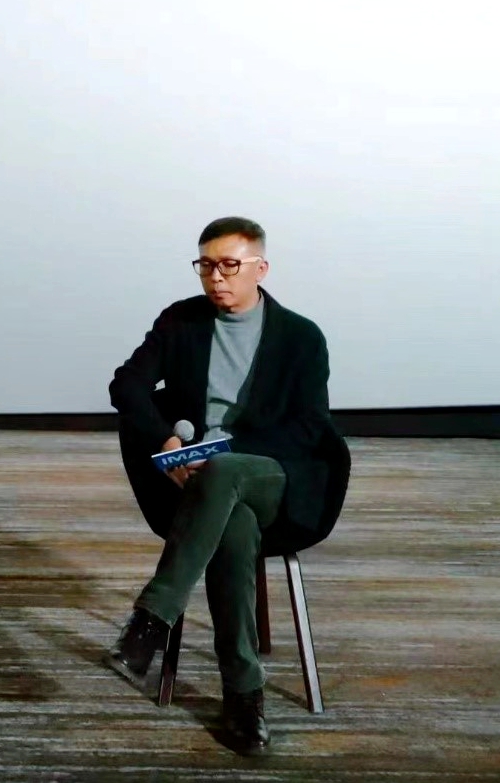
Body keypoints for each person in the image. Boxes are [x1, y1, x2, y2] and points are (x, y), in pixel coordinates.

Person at [107, 216, 343, 755]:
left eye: (229, 265)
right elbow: (128, 384)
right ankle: (244, 694)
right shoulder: (181, 322)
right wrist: (166, 442)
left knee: (228, 470)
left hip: (274, 477)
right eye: (206, 265)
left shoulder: (302, 336)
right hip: (204, 483)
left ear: (260, 267)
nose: (216, 277)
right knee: (232, 528)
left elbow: (310, 427)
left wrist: (227, 454)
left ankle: (152, 617)